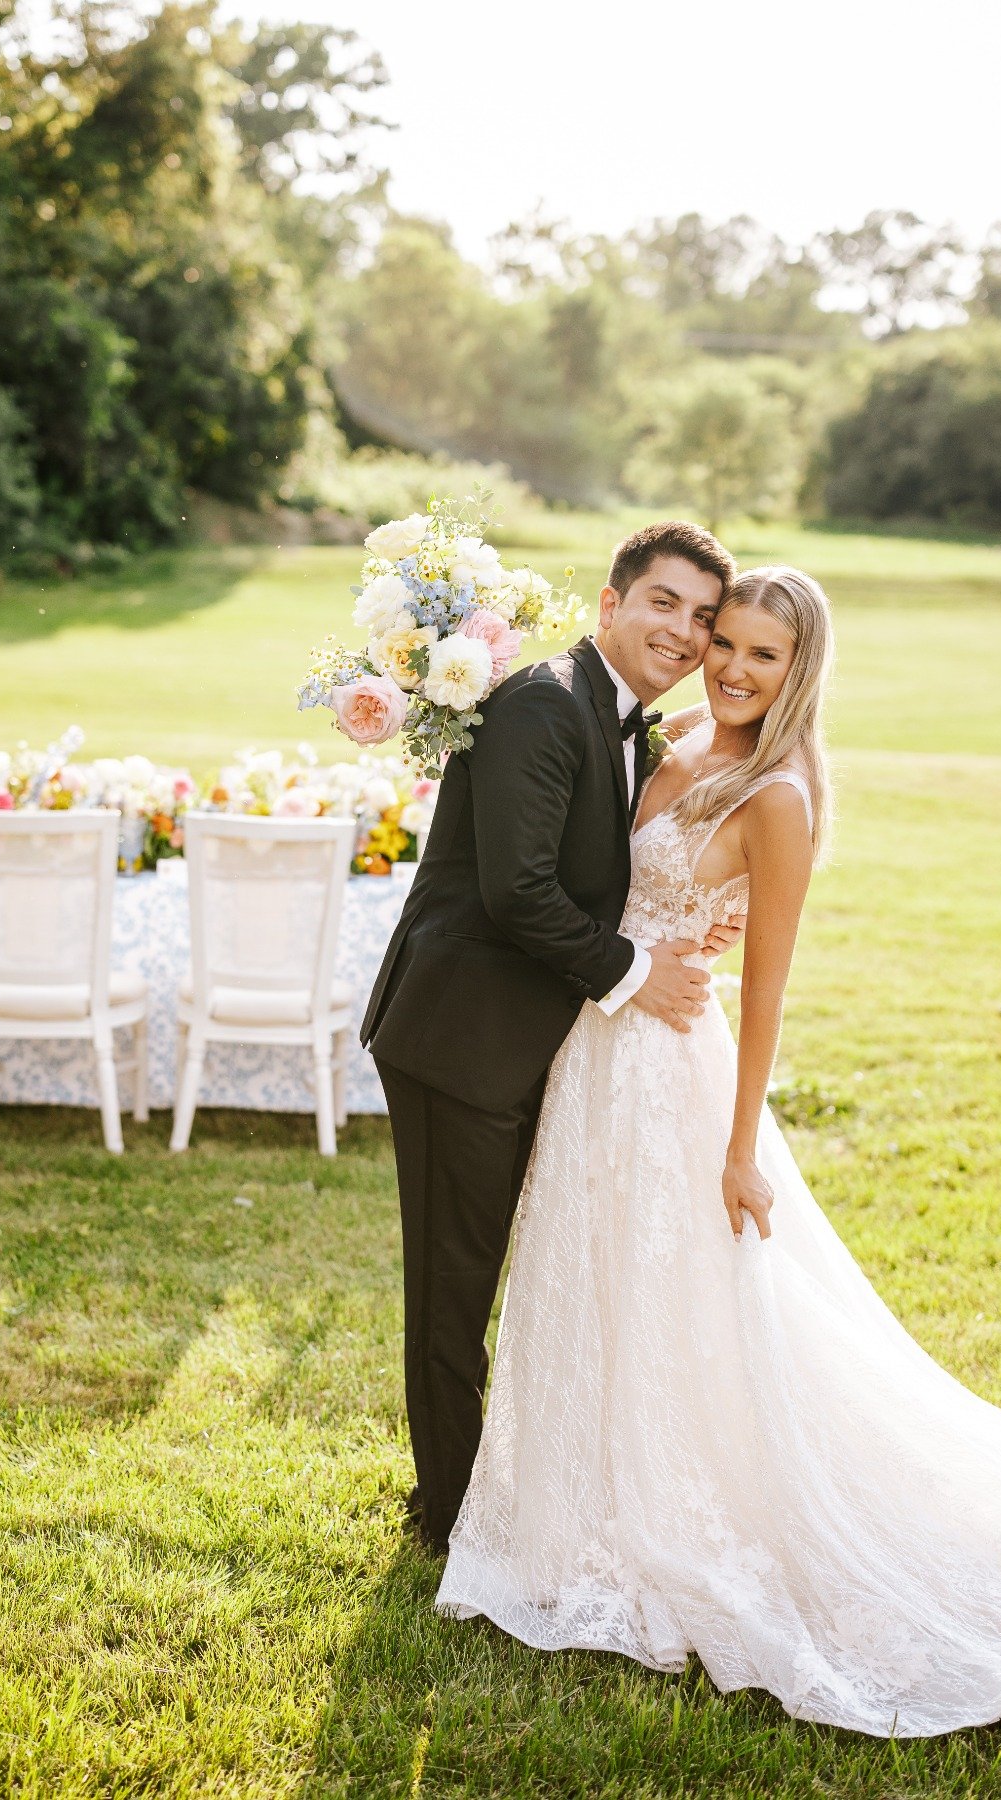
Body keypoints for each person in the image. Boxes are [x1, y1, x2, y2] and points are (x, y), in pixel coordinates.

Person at [436, 566, 1001, 1738]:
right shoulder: (678, 734)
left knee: (673, 1299)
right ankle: (566, 1510)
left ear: (803, 672)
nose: (736, 670)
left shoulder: (779, 795)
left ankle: (677, 1517)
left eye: (764, 657)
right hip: (592, 1054)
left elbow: (767, 996)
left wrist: (743, 1144)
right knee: (588, 1282)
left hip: (673, 1079)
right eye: (726, 642)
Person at [361, 520, 740, 1556]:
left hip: (528, 1035)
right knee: (454, 1282)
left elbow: (590, 872)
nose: (684, 631)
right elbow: (517, 890)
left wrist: (685, 918)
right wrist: (635, 973)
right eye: (663, 602)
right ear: (610, 604)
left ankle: (496, 1486)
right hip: (460, 1036)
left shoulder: (622, 721)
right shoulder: (542, 703)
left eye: (704, 617)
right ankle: (448, 1515)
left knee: (511, 1272)